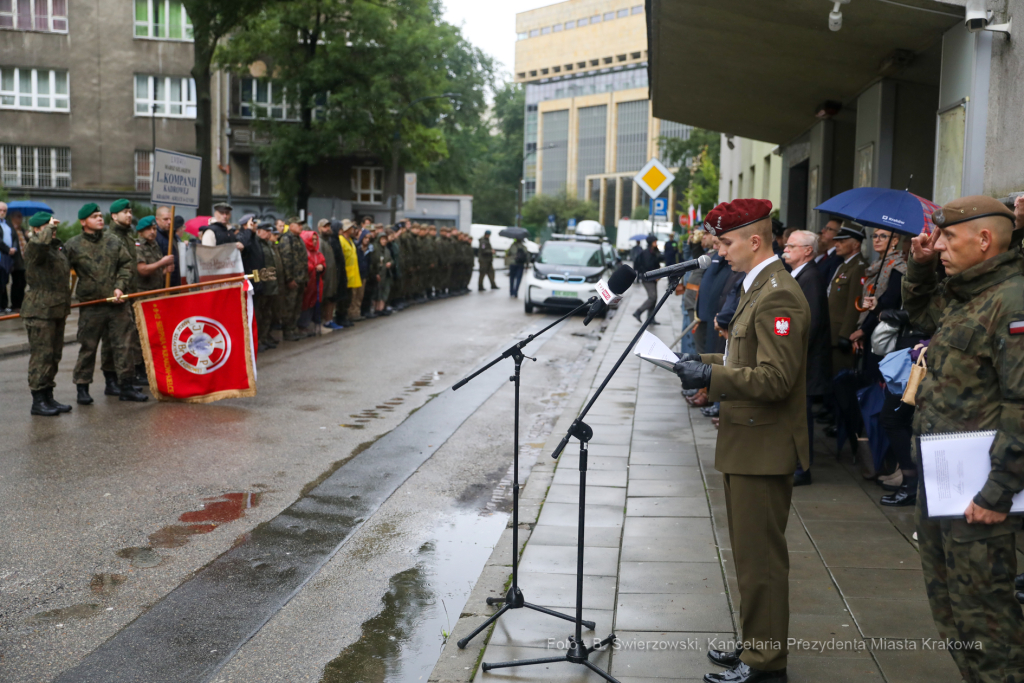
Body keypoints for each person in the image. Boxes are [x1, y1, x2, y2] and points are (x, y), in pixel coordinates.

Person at [674, 198, 809, 683]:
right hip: (748, 443)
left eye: (726, 242)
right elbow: (744, 356)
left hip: (763, 447)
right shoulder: (757, 286)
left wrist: (711, 376)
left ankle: (766, 663)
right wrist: (703, 363)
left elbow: (776, 379)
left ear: (755, 241)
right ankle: (756, 642)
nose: (719, 250)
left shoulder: (778, 295)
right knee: (750, 558)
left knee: (761, 562)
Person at [904, 195, 1024, 683]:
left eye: (948, 238)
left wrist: (998, 491)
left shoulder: (1012, 300)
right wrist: (920, 267)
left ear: (985, 240)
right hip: (945, 482)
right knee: (951, 607)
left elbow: (1021, 404)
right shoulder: (969, 292)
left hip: (980, 490)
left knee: (987, 619)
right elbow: (922, 316)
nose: (939, 246)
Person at [65, 203, 146, 404]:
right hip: (92, 305)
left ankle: (126, 385)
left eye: (101, 215)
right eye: (94, 216)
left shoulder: (113, 241)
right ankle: (82, 387)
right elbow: (61, 271)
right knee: (88, 347)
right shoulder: (73, 245)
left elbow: (126, 265)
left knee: (123, 345)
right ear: (83, 222)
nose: (100, 219)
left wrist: (120, 287)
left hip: (117, 304)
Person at [783, 229, 832, 486]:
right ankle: (794, 462)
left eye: (792, 246)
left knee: (801, 417)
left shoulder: (810, 277)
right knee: (795, 415)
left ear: (807, 251)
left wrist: (791, 355)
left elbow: (810, 323)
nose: (786, 249)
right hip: (799, 359)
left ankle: (802, 468)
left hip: (805, 361)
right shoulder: (799, 274)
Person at [23, 212, 72, 416]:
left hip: (56, 309)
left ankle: (48, 395)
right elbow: (39, 243)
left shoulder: (55, 249)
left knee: (53, 356)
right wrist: (48, 228)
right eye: (47, 226)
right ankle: (38, 400)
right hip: (40, 310)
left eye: (53, 227)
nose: (53, 230)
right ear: (36, 229)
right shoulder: (34, 247)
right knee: (41, 356)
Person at [102, 199, 146, 389]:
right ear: (114, 216)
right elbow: (108, 270)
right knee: (112, 341)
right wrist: (115, 289)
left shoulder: (127, 236)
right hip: (115, 295)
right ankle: (112, 380)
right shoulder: (110, 237)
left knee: (128, 338)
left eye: (130, 212)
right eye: (125, 212)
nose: (129, 215)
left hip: (130, 294)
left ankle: (128, 377)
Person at [827, 222, 866, 375]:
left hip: (841, 335)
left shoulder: (859, 267)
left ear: (856, 244)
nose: (836, 244)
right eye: (837, 241)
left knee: (840, 377)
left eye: (842, 241)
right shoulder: (844, 266)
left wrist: (845, 334)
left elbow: (854, 304)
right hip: (832, 333)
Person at [276, 217, 309, 341]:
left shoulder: (298, 239)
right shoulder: (286, 239)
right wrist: (289, 279)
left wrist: (305, 278)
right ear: (291, 225)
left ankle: (293, 328)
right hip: (293, 279)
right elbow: (286, 260)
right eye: (298, 224)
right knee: (289, 305)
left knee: (297, 305)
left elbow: (303, 259)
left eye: (301, 224)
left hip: (301, 278)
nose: (301, 227)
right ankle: (287, 331)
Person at [254, 222, 282, 350]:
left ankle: (264, 338)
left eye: (269, 231)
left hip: (271, 284)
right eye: (266, 231)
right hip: (262, 284)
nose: (268, 233)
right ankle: (258, 340)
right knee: (259, 314)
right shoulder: (256, 244)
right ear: (258, 231)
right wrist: (258, 283)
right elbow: (256, 265)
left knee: (267, 313)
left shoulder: (269, 245)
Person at [134, 216, 175, 293]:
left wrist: (166, 271)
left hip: (157, 291)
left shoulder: (154, 245)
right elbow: (142, 270)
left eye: (154, 229)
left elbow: (156, 272)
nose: (152, 231)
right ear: (140, 232)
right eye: (148, 229)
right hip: (143, 293)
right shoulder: (137, 246)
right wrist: (162, 262)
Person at [298, 230, 326, 334]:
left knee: (314, 303)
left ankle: (312, 325)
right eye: (312, 239)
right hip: (308, 284)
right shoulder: (304, 253)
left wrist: (322, 267)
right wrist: (314, 267)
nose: (314, 241)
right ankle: (303, 326)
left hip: (316, 283)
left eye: (315, 239)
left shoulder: (317, 253)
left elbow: (323, 263)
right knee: (306, 305)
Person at [632, 235, 662, 324]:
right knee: (652, 297)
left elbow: (658, 261)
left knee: (654, 298)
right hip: (647, 278)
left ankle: (650, 318)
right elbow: (648, 266)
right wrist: (655, 276)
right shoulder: (646, 253)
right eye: (654, 242)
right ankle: (638, 312)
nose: (656, 243)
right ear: (650, 243)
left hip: (654, 277)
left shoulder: (655, 251)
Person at [339, 219, 363, 326]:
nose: (353, 229)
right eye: (350, 227)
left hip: (352, 274)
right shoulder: (341, 240)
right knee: (343, 298)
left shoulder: (350, 240)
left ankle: (346, 316)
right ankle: (341, 317)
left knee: (349, 297)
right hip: (345, 274)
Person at [3, 208, 27, 313]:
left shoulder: (22, 230)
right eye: (18, 216)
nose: (21, 219)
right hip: (15, 260)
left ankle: (20, 304)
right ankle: (15, 304)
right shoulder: (10, 228)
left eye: (21, 216)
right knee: (17, 282)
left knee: (23, 282)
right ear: (13, 217)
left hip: (24, 259)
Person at [152, 206, 181, 287]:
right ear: (157, 219)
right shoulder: (155, 236)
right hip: (161, 284)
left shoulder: (173, 236)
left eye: (171, 219)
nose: (169, 222)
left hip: (174, 283)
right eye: (165, 219)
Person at [814, 216, 843, 281]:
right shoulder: (826, 256)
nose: (823, 231)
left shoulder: (837, 258)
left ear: (838, 234)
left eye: (829, 229)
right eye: (825, 228)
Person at [0, 201, 14, 312]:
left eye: (4, 210)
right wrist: (8, 249)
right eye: (0, 210)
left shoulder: (8, 223)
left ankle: (4, 306)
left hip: (7, 257)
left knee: (4, 281)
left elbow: (14, 236)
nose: (2, 212)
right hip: (2, 254)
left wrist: (14, 248)